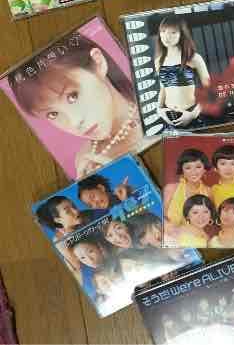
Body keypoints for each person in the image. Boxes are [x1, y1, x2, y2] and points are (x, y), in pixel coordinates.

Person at [7, 32, 141, 179]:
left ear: (98, 62)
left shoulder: (155, 117)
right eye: (53, 114)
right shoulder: (85, 159)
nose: (75, 122)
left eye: (73, 96)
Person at [154, 15, 210, 128]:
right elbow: (163, 89)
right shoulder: (159, 61)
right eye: (163, 32)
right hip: (168, 116)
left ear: (182, 34)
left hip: (190, 114)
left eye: (173, 33)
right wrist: (159, 110)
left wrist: (193, 114)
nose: (166, 37)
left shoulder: (194, 58)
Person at [163, 148, 212, 233]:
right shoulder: (170, 189)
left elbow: (209, 220)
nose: (193, 172)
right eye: (188, 167)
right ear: (182, 170)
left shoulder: (208, 192)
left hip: (195, 237)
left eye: (198, 167)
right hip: (169, 236)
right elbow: (160, 216)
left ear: (204, 169)